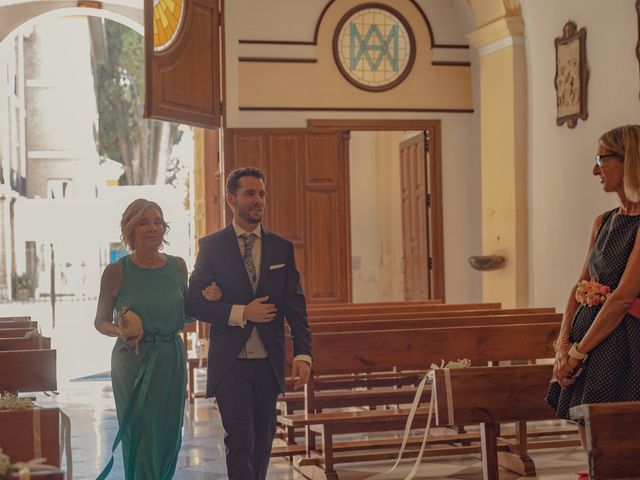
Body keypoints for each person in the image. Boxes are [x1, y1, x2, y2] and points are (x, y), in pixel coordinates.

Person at [186, 167, 313, 480]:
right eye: (250, 193)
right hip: (231, 363)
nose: (258, 200)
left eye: (261, 194)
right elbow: (193, 303)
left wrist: (303, 354)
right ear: (232, 199)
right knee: (241, 439)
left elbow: (295, 304)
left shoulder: (281, 247)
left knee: (262, 442)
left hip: (268, 361)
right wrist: (241, 312)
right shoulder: (212, 246)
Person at [94, 199, 212, 479]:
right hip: (132, 361)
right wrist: (120, 330)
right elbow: (100, 322)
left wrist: (207, 299)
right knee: (142, 433)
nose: (152, 228)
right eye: (144, 222)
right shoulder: (116, 271)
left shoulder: (178, 267)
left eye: (157, 221)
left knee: (169, 434)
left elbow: (185, 316)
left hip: (171, 359)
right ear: (130, 229)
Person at [546, 125, 640, 477]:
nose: (595, 169)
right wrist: (562, 345)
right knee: (588, 434)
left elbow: (621, 299)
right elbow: (579, 286)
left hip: (625, 345)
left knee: (616, 440)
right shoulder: (603, 221)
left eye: (601, 158)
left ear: (628, 160)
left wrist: (577, 352)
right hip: (586, 344)